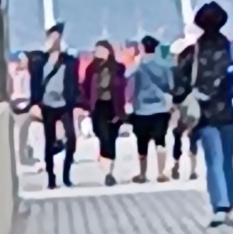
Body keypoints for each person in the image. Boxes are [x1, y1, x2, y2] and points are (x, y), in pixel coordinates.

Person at [187, 3, 233, 223]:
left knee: (214, 160)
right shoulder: (231, 49)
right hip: (230, 111)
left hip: (205, 113)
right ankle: (229, 202)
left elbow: (181, 81)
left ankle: (220, 205)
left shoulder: (193, 51)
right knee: (227, 160)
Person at [23, 24, 81, 185]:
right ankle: (51, 177)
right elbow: (34, 83)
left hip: (64, 104)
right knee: (49, 141)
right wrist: (34, 103)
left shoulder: (69, 61)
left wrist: (77, 104)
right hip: (47, 105)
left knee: (72, 140)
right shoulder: (39, 61)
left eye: (57, 37)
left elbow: (75, 84)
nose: (55, 41)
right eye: (52, 37)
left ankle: (66, 175)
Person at [82, 33, 132, 180]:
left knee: (111, 138)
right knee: (103, 136)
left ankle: (109, 172)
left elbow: (123, 87)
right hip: (98, 106)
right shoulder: (91, 69)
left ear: (108, 51)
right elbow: (85, 87)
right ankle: (107, 169)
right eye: (97, 50)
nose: (98, 53)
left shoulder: (118, 68)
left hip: (114, 106)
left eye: (101, 50)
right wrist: (86, 104)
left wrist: (124, 107)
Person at [129, 32, 178, 180]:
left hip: (141, 110)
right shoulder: (165, 66)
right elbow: (171, 86)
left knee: (142, 143)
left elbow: (131, 87)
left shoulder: (138, 68)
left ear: (142, 48)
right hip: (161, 109)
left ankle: (142, 174)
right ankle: (161, 173)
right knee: (160, 141)